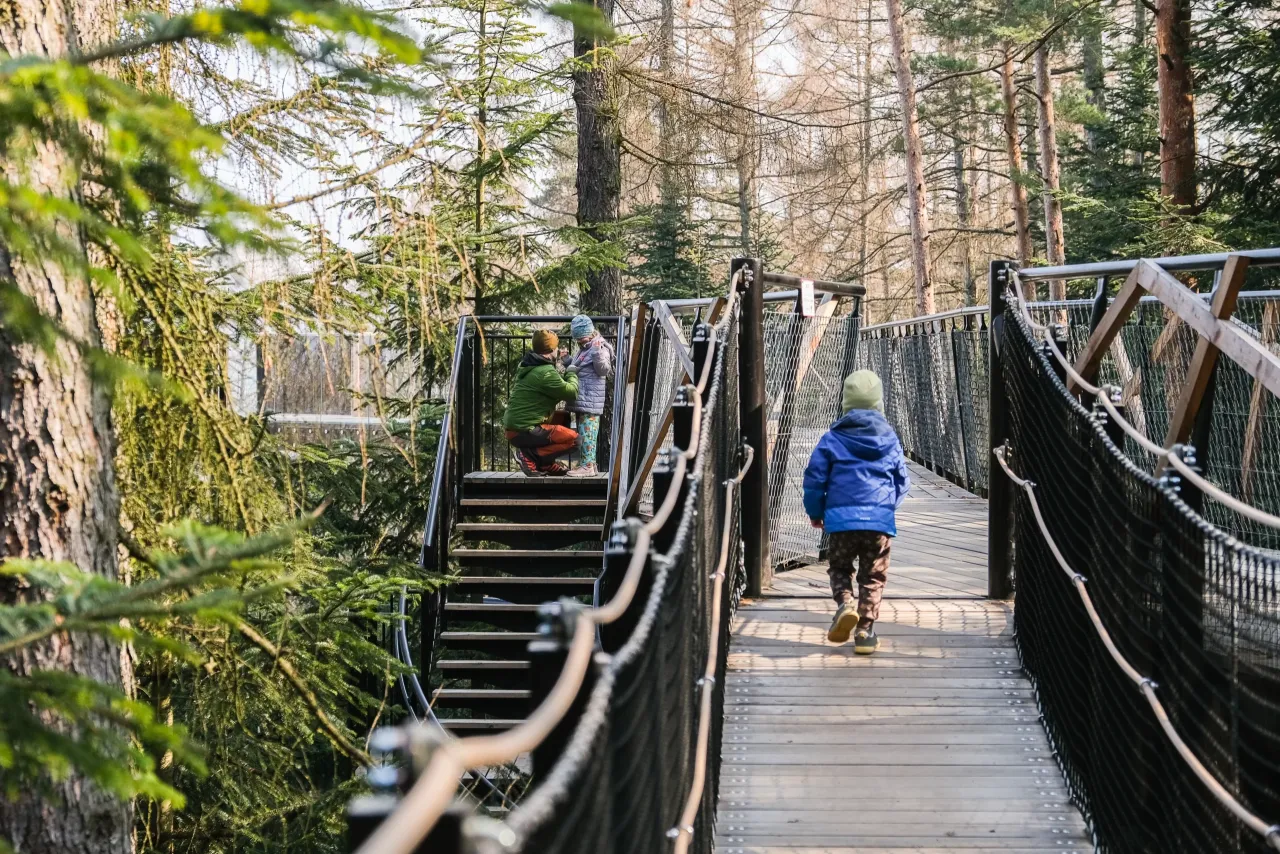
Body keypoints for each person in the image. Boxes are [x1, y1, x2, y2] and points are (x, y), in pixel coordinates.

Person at [803, 369, 909, 654]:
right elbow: (902, 481)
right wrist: (885, 509)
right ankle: (865, 632)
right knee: (873, 576)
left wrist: (816, 511)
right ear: (879, 404)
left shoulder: (832, 439)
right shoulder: (890, 440)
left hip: (840, 522)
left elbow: (814, 480)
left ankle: (845, 603)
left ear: (846, 403)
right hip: (879, 523)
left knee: (839, 567)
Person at [503, 329, 579, 476]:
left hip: (516, 427)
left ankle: (545, 464)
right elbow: (571, 392)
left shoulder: (531, 366)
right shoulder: (545, 372)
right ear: (551, 350)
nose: (558, 350)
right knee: (575, 440)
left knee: (563, 417)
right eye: (556, 347)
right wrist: (571, 372)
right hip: (524, 429)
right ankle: (529, 456)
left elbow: (555, 385)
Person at [561, 315, 614, 477]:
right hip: (584, 397)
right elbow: (580, 368)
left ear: (590, 333)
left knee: (588, 432)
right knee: (584, 432)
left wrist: (597, 352)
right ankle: (589, 464)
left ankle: (588, 466)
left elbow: (604, 370)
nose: (581, 341)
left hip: (590, 398)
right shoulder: (585, 348)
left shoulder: (599, 347)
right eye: (579, 339)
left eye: (583, 338)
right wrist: (567, 360)